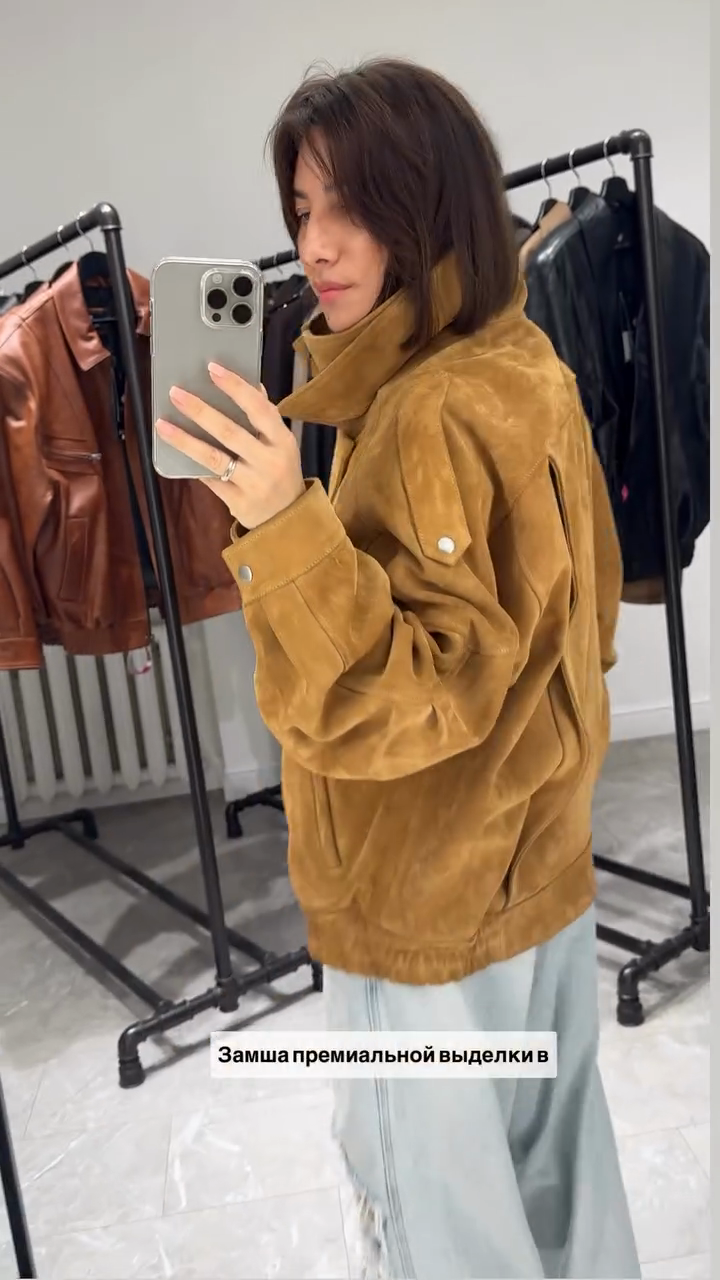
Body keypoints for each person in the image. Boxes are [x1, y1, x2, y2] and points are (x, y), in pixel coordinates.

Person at [155, 58, 641, 1280]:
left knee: (438, 1217)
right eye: (300, 210)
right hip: (534, 861)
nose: (316, 245)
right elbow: (581, 622)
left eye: (353, 205)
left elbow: (404, 696)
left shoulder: (426, 408)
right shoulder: (523, 364)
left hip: (422, 894)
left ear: (430, 203)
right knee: (557, 1176)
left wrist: (283, 524)